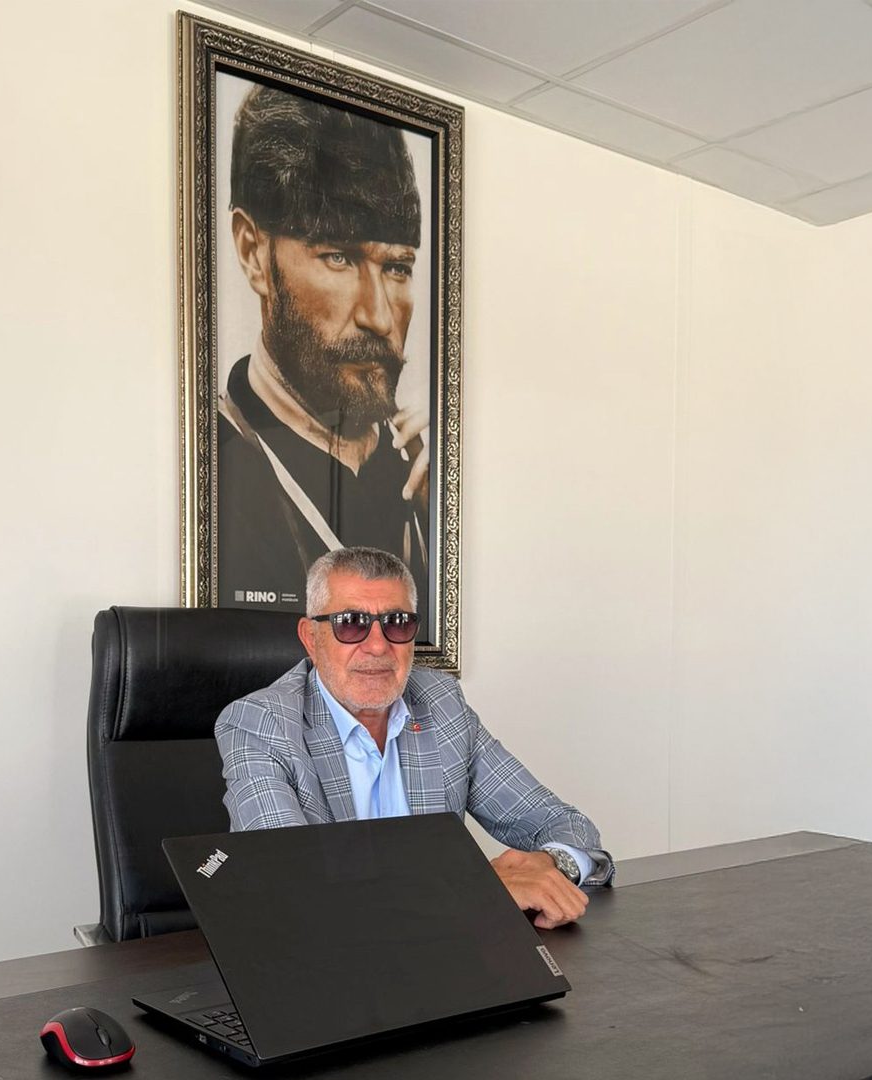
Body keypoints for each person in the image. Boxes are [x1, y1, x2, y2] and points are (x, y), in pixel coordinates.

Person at [216, 547, 612, 929]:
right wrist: (481, 888)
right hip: (327, 968)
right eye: (351, 623)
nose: (377, 646)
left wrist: (551, 864)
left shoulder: (441, 703)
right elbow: (296, 886)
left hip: (446, 953)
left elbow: (563, 823)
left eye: (397, 623)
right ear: (310, 638)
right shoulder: (260, 723)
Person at [217, 84, 432, 636]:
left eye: (398, 268)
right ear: (252, 253)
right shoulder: (216, 455)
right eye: (338, 257)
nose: (380, 318)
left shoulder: (423, 480)